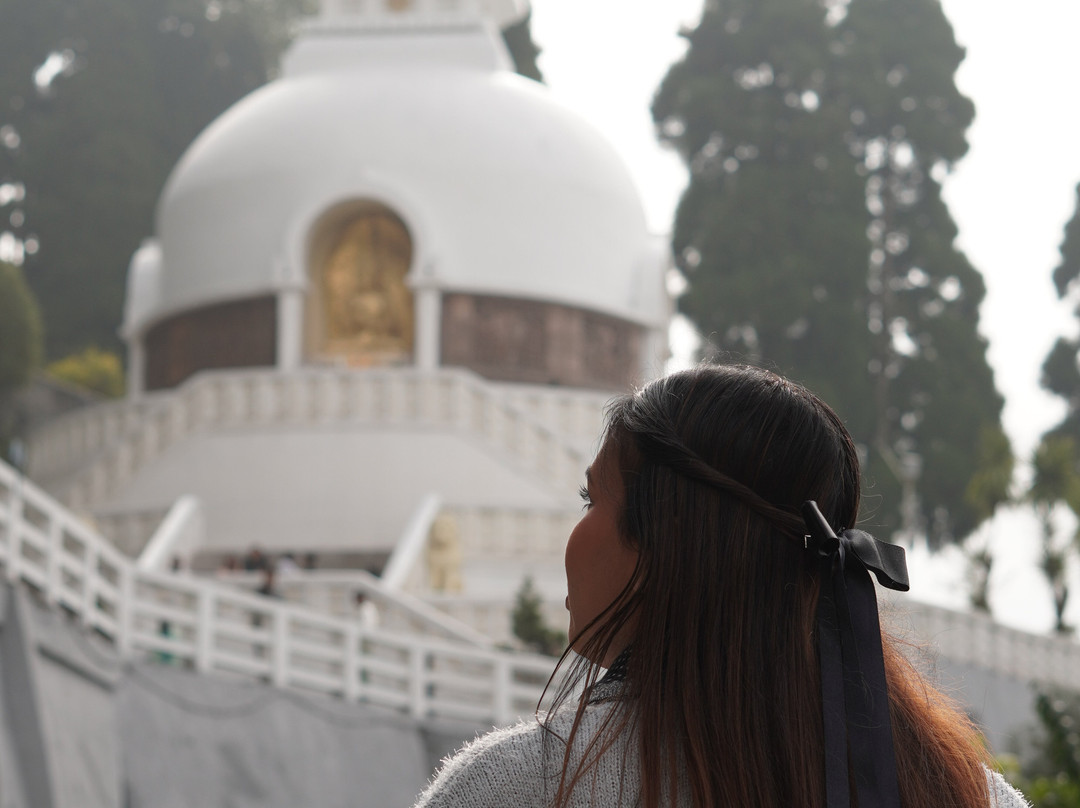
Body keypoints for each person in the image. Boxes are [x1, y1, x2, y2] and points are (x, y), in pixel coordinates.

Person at [412, 365, 1029, 808]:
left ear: (670, 539)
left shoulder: (520, 785)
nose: (572, 535)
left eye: (590, 498)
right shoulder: (966, 790)